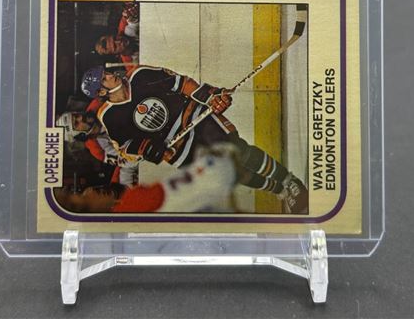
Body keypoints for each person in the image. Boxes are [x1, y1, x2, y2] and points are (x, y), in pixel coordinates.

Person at [80, 65, 308, 213]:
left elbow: (181, 83)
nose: (109, 74)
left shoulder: (140, 75)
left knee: (240, 152)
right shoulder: (108, 116)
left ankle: (289, 181)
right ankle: (279, 191)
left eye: (106, 72)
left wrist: (209, 98)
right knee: (230, 171)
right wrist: (148, 148)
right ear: (101, 92)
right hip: (178, 149)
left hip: (196, 118)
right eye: (104, 78)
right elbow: (126, 147)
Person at [54, 144, 238, 213]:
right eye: (83, 198)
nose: (91, 193)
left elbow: (129, 163)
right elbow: (213, 177)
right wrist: (212, 161)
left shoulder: (124, 193)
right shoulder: (132, 204)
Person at [55, 111, 139, 187]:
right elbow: (130, 160)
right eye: (76, 123)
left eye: (76, 116)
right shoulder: (98, 148)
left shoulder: (99, 108)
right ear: (79, 135)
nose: (81, 118)